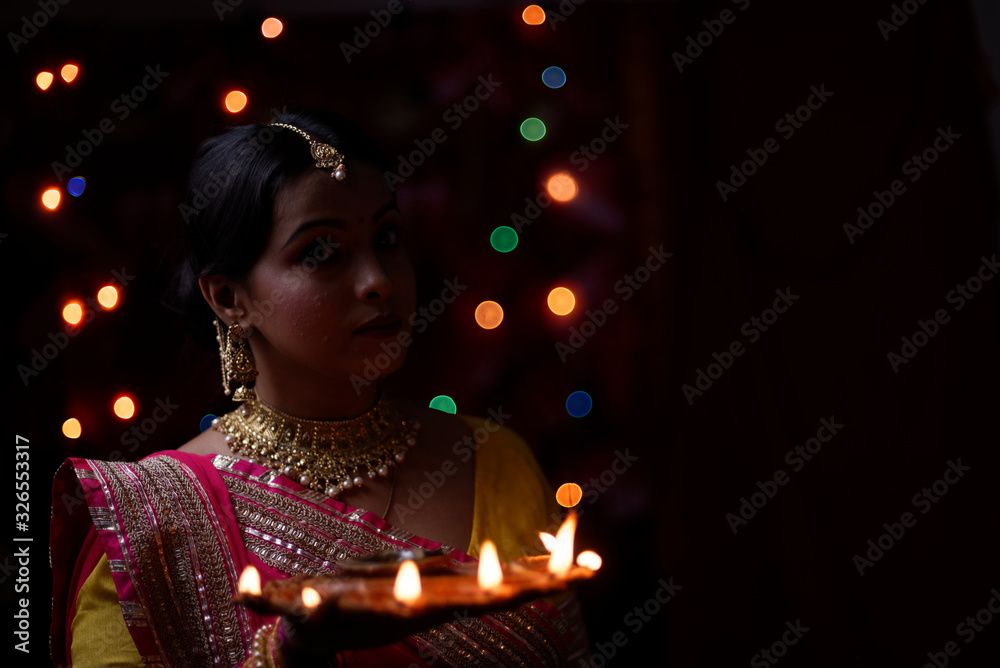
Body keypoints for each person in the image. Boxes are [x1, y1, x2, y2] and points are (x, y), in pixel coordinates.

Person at [49, 108, 589, 666]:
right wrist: (289, 653)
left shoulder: (495, 460)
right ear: (230, 300)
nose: (378, 280)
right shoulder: (154, 522)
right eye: (321, 251)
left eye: (388, 237)